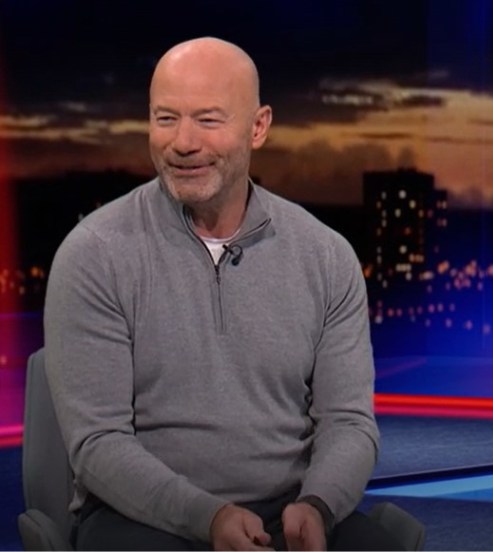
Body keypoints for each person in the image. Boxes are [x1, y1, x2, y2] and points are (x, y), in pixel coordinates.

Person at [44, 37, 400, 551]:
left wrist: (319, 504)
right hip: (144, 518)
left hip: (290, 511)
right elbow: (98, 444)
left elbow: (348, 423)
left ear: (258, 127)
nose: (182, 142)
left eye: (208, 120)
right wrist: (208, 518)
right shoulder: (95, 253)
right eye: (166, 119)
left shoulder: (325, 255)